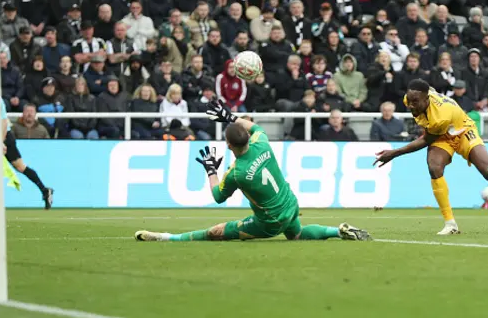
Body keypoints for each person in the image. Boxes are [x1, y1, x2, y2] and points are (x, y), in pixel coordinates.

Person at [135, 100, 371, 242]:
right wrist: (229, 116)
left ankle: (168, 237)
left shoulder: (237, 172)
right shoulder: (262, 141)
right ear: (247, 136)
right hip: (290, 204)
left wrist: (210, 170)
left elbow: (218, 196)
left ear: (229, 145)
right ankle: (337, 231)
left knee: (216, 232)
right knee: (297, 235)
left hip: (269, 222)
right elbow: (254, 125)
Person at [374, 79, 488, 235]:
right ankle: (450, 224)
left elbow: (426, 140)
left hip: (463, 131)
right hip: (443, 136)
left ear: (426, 99)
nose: (410, 105)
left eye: (415, 102)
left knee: (487, 171)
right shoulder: (413, 98)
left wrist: (394, 153)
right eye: (409, 100)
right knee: (434, 167)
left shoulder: (440, 116)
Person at [0, 98, 54, 209]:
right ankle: (45, 190)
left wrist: (0, 142)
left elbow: (4, 122)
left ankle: (44, 190)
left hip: (3, 136)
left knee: (19, 167)